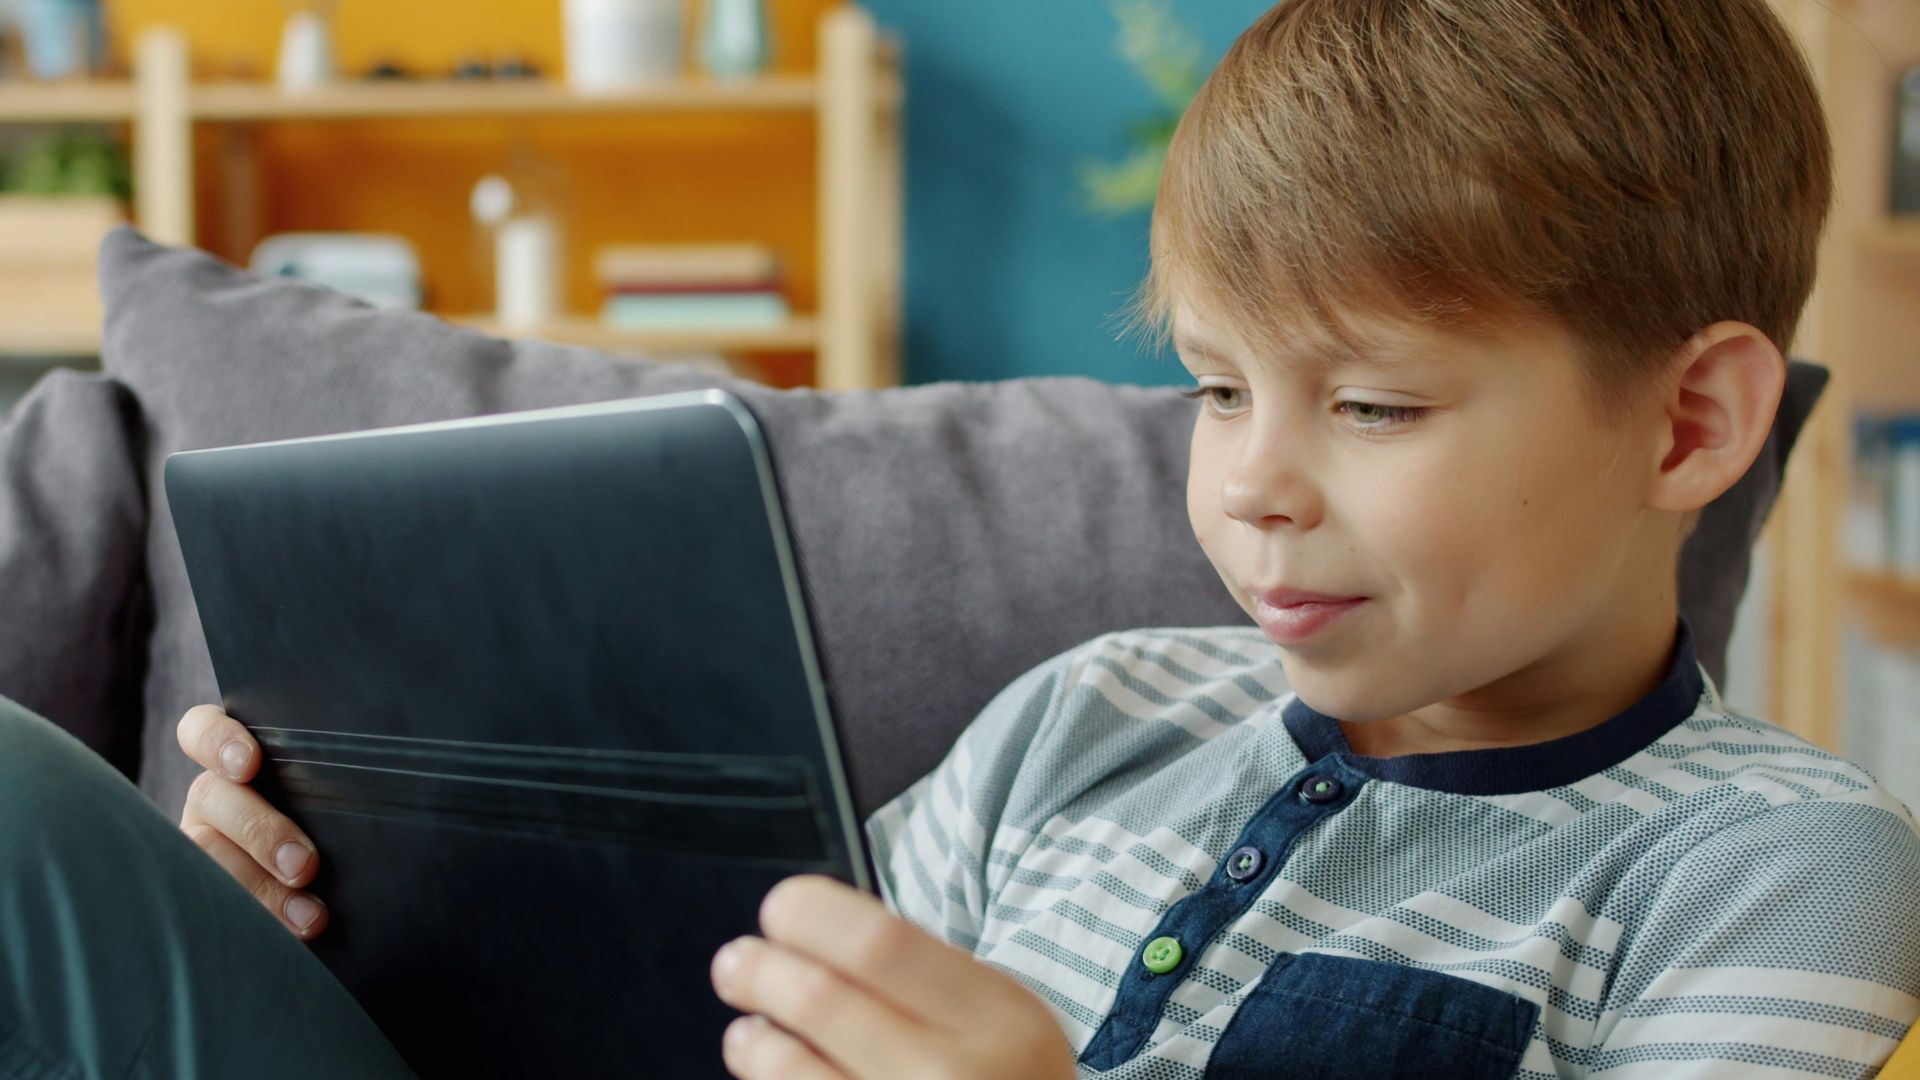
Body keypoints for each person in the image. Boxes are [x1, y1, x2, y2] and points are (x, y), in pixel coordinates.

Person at [4, 0, 1915, 1076]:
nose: (1250, 483)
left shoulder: (1767, 867)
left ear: (1690, 423)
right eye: (1217, 387)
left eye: (1374, 406)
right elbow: (723, 1024)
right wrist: (345, 919)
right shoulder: (1094, 714)